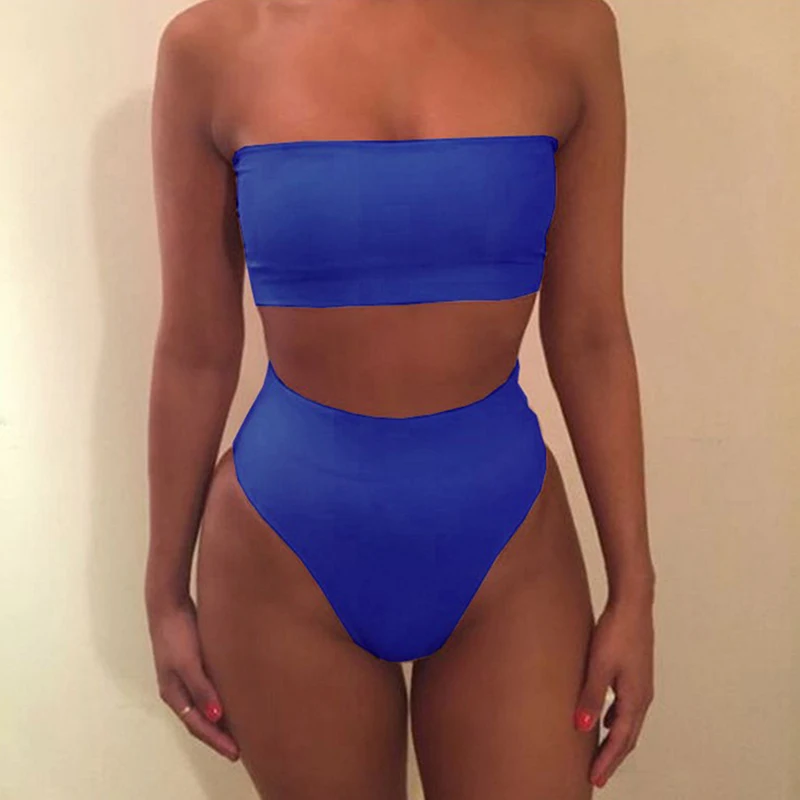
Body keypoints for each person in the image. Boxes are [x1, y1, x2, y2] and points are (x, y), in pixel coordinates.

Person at [145, 0, 656, 797]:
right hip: (285, 546)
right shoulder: (211, 47)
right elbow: (195, 351)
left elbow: (591, 335)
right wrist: (163, 595)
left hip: (507, 547)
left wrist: (635, 590)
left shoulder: (568, 30)